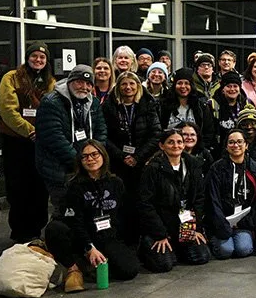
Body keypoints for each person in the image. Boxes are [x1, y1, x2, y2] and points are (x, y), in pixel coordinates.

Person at [43, 140, 139, 293]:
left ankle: (91, 266)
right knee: (55, 228)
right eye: (85, 156)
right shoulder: (74, 186)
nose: (90, 159)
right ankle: (74, 267)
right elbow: (75, 221)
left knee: (129, 270)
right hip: (83, 236)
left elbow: (124, 215)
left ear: (103, 156)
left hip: (107, 235)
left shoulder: (116, 182)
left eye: (95, 154)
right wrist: (89, 247)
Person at [0, 40, 56, 243]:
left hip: (40, 142)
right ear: (27, 57)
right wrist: (30, 131)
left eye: (42, 57)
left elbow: (53, 109)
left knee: (40, 187)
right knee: (18, 187)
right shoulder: (11, 78)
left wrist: (44, 132)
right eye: (34, 56)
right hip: (16, 142)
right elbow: (7, 110)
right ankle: (20, 232)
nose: (38, 60)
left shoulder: (50, 82)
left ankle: (37, 231)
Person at [136, 127, 211, 273]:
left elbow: (199, 198)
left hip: (185, 224)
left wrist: (195, 228)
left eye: (179, 142)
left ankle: (176, 249)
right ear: (161, 145)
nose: (176, 145)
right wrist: (160, 234)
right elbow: (145, 204)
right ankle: (147, 246)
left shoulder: (193, 165)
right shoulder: (152, 168)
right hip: (161, 226)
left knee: (202, 256)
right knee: (164, 265)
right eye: (170, 142)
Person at [34, 64, 107, 211]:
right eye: (79, 82)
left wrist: (95, 157)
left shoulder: (93, 103)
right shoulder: (51, 102)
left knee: (87, 210)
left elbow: (101, 131)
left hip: (86, 167)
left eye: (88, 84)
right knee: (66, 210)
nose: (84, 87)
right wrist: (82, 161)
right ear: (70, 82)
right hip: (59, 170)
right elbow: (54, 138)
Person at [101, 70, 160, 220]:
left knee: (139, 200)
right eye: (124, 84)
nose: (128, 87)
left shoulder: (148, 104)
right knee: (119, 200)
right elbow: (103, 135)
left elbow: (155, 134)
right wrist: (122, 156)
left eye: (132, 83)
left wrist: (137, 157)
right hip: (117, 161)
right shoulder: (108, 106)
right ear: (118, 87)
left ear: (138, 86)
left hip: (142, 161)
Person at [204, 128, 256, 259]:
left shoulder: (254, 168)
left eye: (239, 142)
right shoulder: (217, 169)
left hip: (243, 222)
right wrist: (223, 226)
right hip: (220, 222)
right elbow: (212, 200)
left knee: (243, 249)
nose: (235, 145)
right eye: (231, 142)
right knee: (225, 251)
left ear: (246, 145)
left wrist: (245, 223)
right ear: (226, 146)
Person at [160, 68, 216, 145]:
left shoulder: (201, 106)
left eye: (187, 83)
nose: (183, 86)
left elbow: (208, 132)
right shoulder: (163, 105)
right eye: (179, 83)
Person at [211, 71, 254, 150]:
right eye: (228, 86)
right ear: (222, 89)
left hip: (243, 147)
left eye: (235, 86)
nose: (232, 89)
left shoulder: (247, 104)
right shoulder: (212, 105)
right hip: (219, 148)